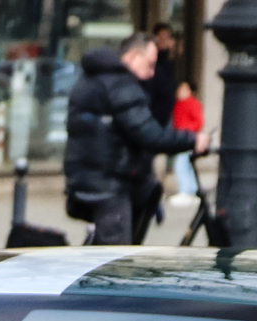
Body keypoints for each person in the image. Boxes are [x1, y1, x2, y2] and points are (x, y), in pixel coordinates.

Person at [66, 33, 212, 245]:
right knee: (114, 261)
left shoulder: (92, 79)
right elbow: (149, 134)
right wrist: (192, 140)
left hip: (88, 178)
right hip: (109, 184)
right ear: (133, 56)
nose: (151, 73)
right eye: (150, 64)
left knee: (146, 195)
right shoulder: (120, 85)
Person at [146, 22, 183, 126]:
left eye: (167, 37)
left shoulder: (169, 61)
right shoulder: (153, 60)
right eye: (161, 37)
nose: (164, 41)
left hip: (167, 110)